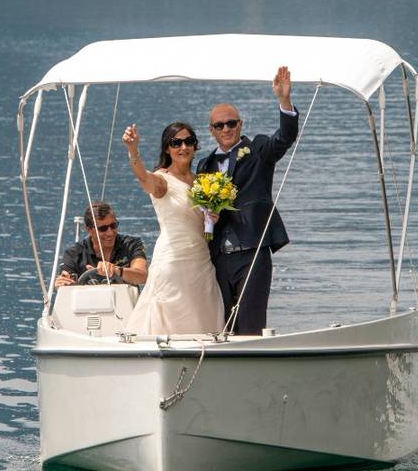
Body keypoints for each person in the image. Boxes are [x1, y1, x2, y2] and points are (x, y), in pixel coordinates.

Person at [196, 66, 298, 336]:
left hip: (253, 248)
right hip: (218, 255)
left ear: (240, 124)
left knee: (251, 322)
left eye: (232, 123)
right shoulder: (204, 164)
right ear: (212, 130)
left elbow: (284, 138)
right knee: (222, 322)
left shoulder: (258, 149)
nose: (227, 129)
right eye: (220, 125)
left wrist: (284, 101)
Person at [121, 122, 224, 335]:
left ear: (195, 146)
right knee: (168, 317)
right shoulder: (162, 180)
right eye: (176, 142)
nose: (183, 147)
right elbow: (143, 177)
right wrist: (133, 150)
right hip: (172, 261)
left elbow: (204, 221)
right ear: (167, 148)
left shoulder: (202, 182)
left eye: (188, 142)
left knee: (203, 316)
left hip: (202, 261)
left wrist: (213, 217)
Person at [55, 202, 148, 288]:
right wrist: (62, 284)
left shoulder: (132, 245)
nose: (110, 232)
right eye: (103, 228)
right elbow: (66, 284)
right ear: (89, 230)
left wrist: (116, 270)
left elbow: (142, 276)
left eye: (113, 225)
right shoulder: (73, 254)